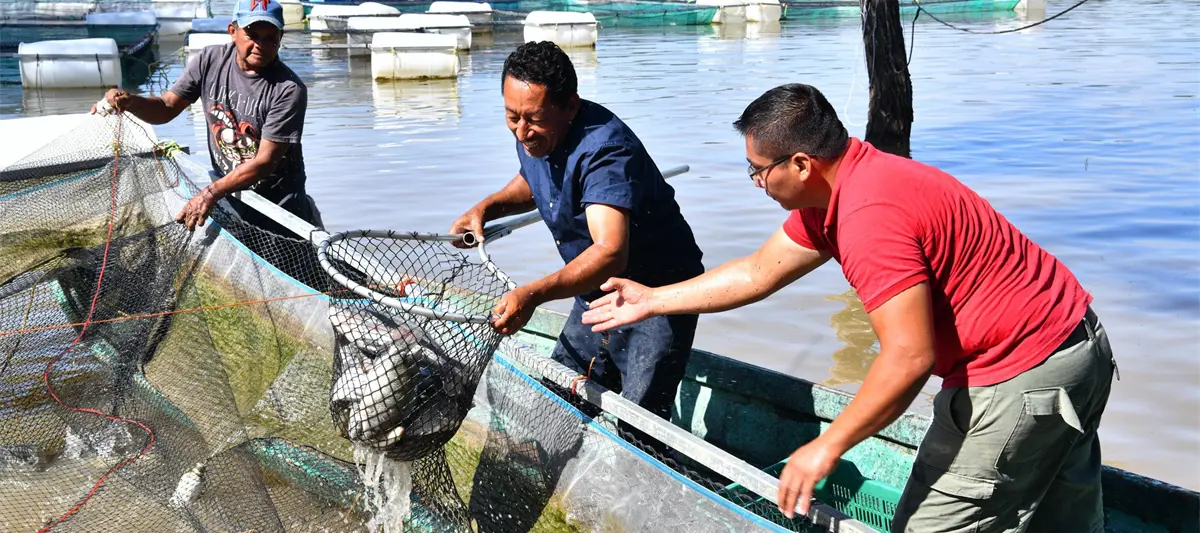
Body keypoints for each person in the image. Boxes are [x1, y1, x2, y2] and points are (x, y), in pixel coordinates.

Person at [581, 83, 1117, 532]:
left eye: (759, 171)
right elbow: (758, 272)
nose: (757, 184)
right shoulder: (845, 186)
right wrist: (653, 299)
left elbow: (909, 358)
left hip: (1023, 374)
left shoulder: (868, 215)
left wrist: (826, 446)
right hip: (1078, 348)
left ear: (801, 163)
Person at [448, 41, 705, 423]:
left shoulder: (606, 153)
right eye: (511, 116)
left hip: (656, 295)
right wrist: (488, 208)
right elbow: (535, 177)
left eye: (533, 119)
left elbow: (609, 252)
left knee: (640, 425)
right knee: (556, 406)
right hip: (594, 292)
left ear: (570, 106)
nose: (522, 132)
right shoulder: (538, 135)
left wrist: (532, 294)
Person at [90, 0, 321, 236]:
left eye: (270, 37)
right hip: (229, 193)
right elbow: (167, 107)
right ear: (233, 31)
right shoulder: (210, 61)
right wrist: (130, 101)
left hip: (277, 207)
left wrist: (210, 193)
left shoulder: (288, 89)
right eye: (252, 35)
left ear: (280, 37)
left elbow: (265, 162)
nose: (261, 45)